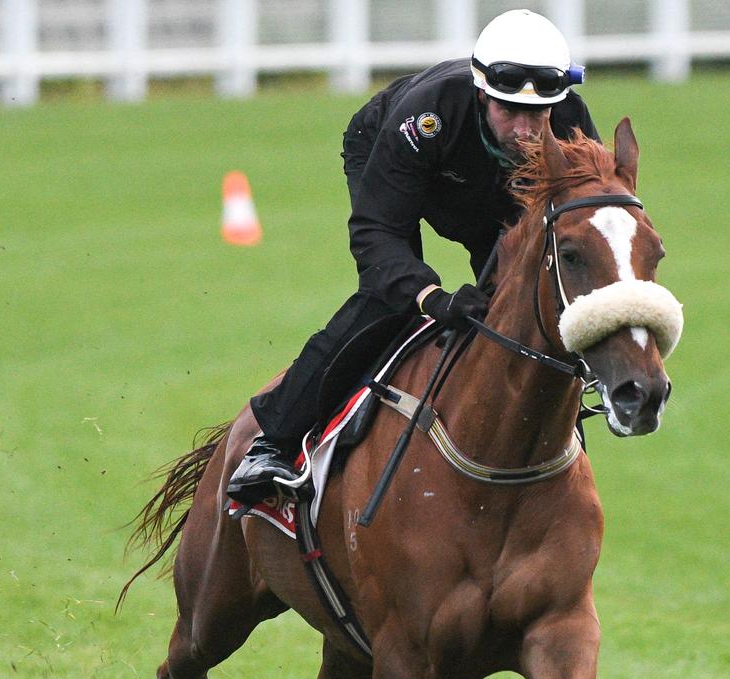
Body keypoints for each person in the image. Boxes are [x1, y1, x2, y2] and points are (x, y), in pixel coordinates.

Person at [227, 9, 600, 505]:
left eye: (538, 114)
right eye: (509, 110)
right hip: (396, 155)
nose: (526, 131)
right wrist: (432, 298)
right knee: (390, 300)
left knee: (519, 303)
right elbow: (376, 234)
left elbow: (585, 224)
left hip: (492, 191)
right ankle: (272, 441)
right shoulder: (426, 116)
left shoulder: (571, 124)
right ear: (482, 92)